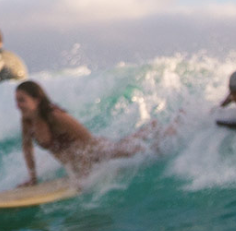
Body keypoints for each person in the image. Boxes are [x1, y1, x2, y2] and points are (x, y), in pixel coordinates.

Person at [14, 80, 161, 186]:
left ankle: (159, 135)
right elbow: (27, 149)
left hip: (96, 150)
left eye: (22, 100)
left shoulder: (56, 117)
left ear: (37, 99)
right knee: (124, 145)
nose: (18, 105)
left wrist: (85, 174)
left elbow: (86, 139)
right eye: (16, 101)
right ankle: (148, 130)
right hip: (80, 161)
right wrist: (33, 178)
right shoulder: (27, 121)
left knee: (132, 150)